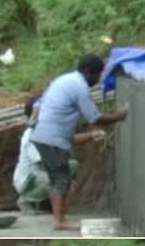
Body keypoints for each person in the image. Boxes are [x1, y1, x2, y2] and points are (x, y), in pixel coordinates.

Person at [29, 54, 128, 229]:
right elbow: (94, 118)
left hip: (42, 136)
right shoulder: (79, 87)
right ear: (88, 72)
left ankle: (60, 219)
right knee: (61, 179)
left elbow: (40, 104)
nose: (97, 80)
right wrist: (119, 116)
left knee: (56, 179)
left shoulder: (64, 79)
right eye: (97, 75)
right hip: (53, 139)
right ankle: (59, 221)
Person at [15, 97, 106, 215]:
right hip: (28, 181)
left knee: (72, 165)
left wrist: (90, 135)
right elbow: (43, 162)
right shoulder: (31, 135)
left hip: (42, 176)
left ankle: (46, 203)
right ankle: (25, 199)